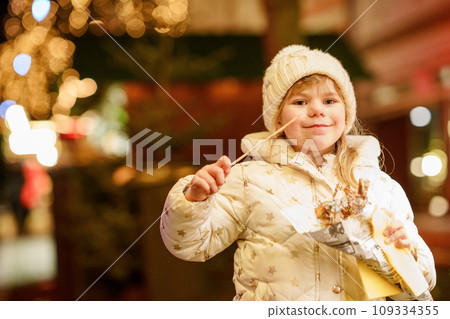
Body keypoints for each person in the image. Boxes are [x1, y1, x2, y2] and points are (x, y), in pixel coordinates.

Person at [160, 45, 436, 301]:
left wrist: (405, 250)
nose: (317, 110)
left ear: (346, 111)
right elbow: (191, 245)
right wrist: (194, 199)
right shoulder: (248, 180)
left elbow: (419, 285)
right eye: (300, 102)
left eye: (329, 100)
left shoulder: (379, 186)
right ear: (278, 117)